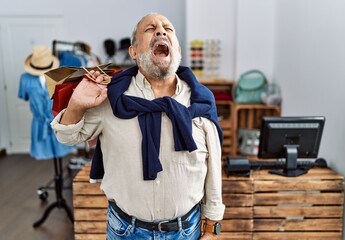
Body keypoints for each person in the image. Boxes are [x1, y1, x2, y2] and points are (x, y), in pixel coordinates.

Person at [51, 13, 225, 240]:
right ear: (133, 52)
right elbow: (66, 138)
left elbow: (213, 168)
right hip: (125, 231)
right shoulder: (110, 97)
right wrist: (76, 105)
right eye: (150, 28)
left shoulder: (200, 101)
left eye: (168, 29)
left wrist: (212, 227)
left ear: (178, 51)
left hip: (186, 231)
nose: (161, 31)